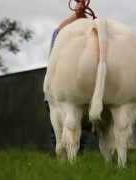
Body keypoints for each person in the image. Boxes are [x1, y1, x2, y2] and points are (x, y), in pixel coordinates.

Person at [45, 0, 87, 150]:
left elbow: (57, 31)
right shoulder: (67, 36)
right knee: (77, 125)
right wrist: (78, 14)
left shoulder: (61, 37)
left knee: (59, 126)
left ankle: (65, 156)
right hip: (75, 89)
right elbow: (58, 31)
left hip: (59, 91)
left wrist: (77, 14)